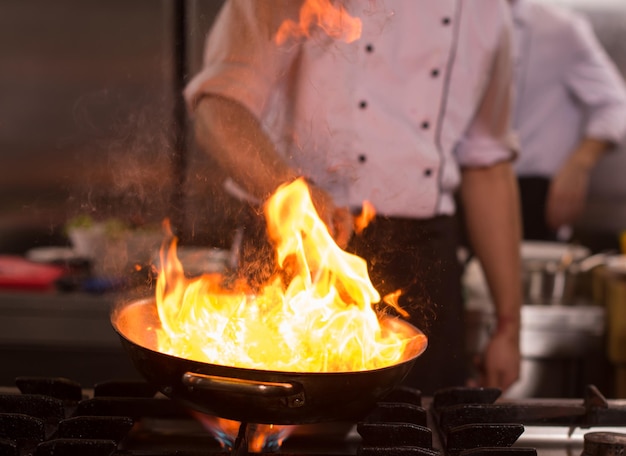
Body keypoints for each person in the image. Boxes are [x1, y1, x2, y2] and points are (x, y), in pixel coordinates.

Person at [184, 0, 522, 395]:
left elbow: (488, 165)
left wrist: (509, 326)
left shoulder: (487, 11)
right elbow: (220, 108)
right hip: (296, 250)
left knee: (420, 435)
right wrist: (290, 191)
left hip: (421, 270)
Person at [510, 0, 626, 241]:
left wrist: (579, 164)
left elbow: (616, 104)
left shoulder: (559, 28)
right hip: (456, 189)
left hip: (533, 195)